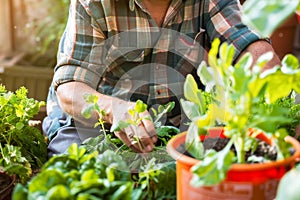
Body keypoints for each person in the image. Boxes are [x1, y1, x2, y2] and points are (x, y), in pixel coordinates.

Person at [43, 0, 281, 157]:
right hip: (99, 124)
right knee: (76, 171)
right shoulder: (93, 3)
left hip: (178, 124)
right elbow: (71, 87)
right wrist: (112, 109)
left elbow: (248, 44)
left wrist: (272, 79)